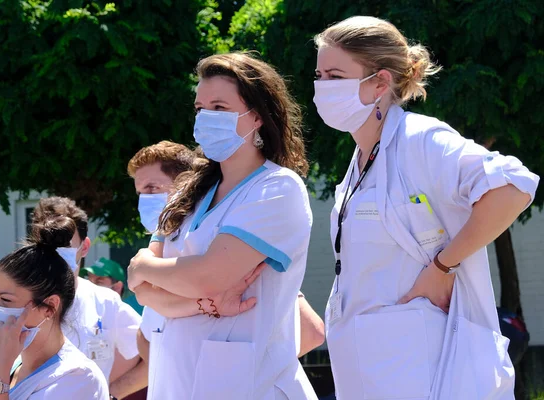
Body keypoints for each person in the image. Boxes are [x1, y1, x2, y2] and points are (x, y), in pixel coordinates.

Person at [313, 16, 540, 399]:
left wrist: (442, 266)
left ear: (380, 83)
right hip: (370, 374)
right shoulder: (360, 162)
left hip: (427, 374)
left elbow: (514, 186)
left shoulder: (420, 139)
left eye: (335, 77)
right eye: (318, 76)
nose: (321, 88)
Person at [128, 53, 318, 400]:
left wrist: (146, 266)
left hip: (248, 386)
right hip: (176, 384)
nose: (205, 118)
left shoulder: (277, 188)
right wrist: (205, 304)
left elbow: (205, 276)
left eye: (219, 107)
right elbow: (143, 292)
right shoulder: (188, 193)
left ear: (257, 116)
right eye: (201, 108)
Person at [128, 140, 325, 360]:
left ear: (185, 181)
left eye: (152, 188)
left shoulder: (245, 222)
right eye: (139, 193)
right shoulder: (165, 236)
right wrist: (206, 303)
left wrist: (247, 365)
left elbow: (311, 332)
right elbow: (143, 295)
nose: (145, 200)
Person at [0, 197, 145, 399]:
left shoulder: (77, 378)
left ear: (50, 306)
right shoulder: (4, 364)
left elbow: (148, 348)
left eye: (7, 300)